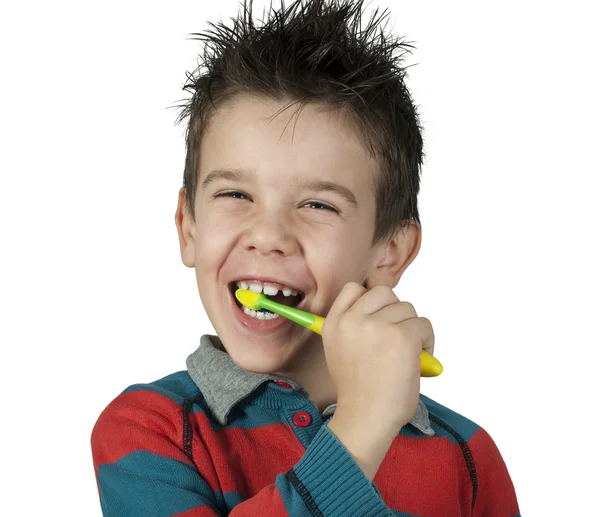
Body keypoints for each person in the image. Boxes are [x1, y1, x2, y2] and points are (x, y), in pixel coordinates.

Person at [90, 0, 520, 515]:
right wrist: (362, 425)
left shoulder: (466, 456)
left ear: (390, 251)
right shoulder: (149, 428)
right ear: (188, 227)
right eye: (235, 195)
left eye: (318, 204)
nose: (268, 235)